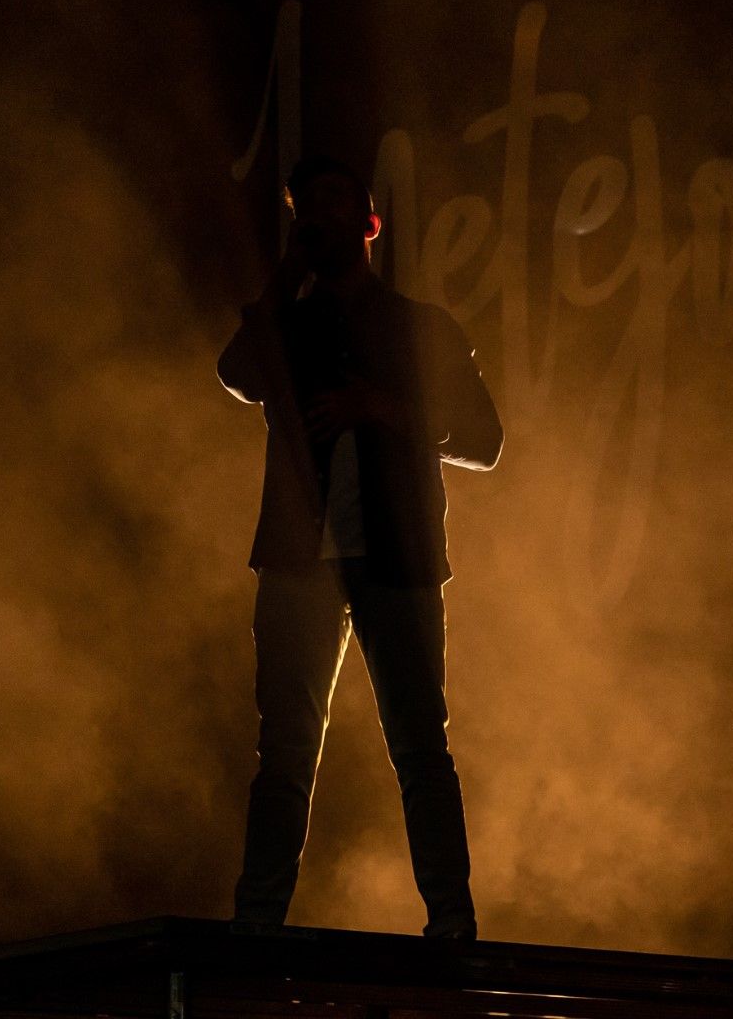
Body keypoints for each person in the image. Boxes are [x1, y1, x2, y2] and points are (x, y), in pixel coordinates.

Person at [217, 153, 502, 940]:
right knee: (284, 753)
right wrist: (285, 276)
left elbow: (484, 440)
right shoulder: (289, 327)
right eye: (308, 204)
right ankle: (257, 926)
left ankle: (452, 922)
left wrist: (384, 408)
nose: (322, 213)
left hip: (397, 558)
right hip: (297, 559)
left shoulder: (421, 327)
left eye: (336, 200)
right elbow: (235, 370)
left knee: (420, 745)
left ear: (370, 223)